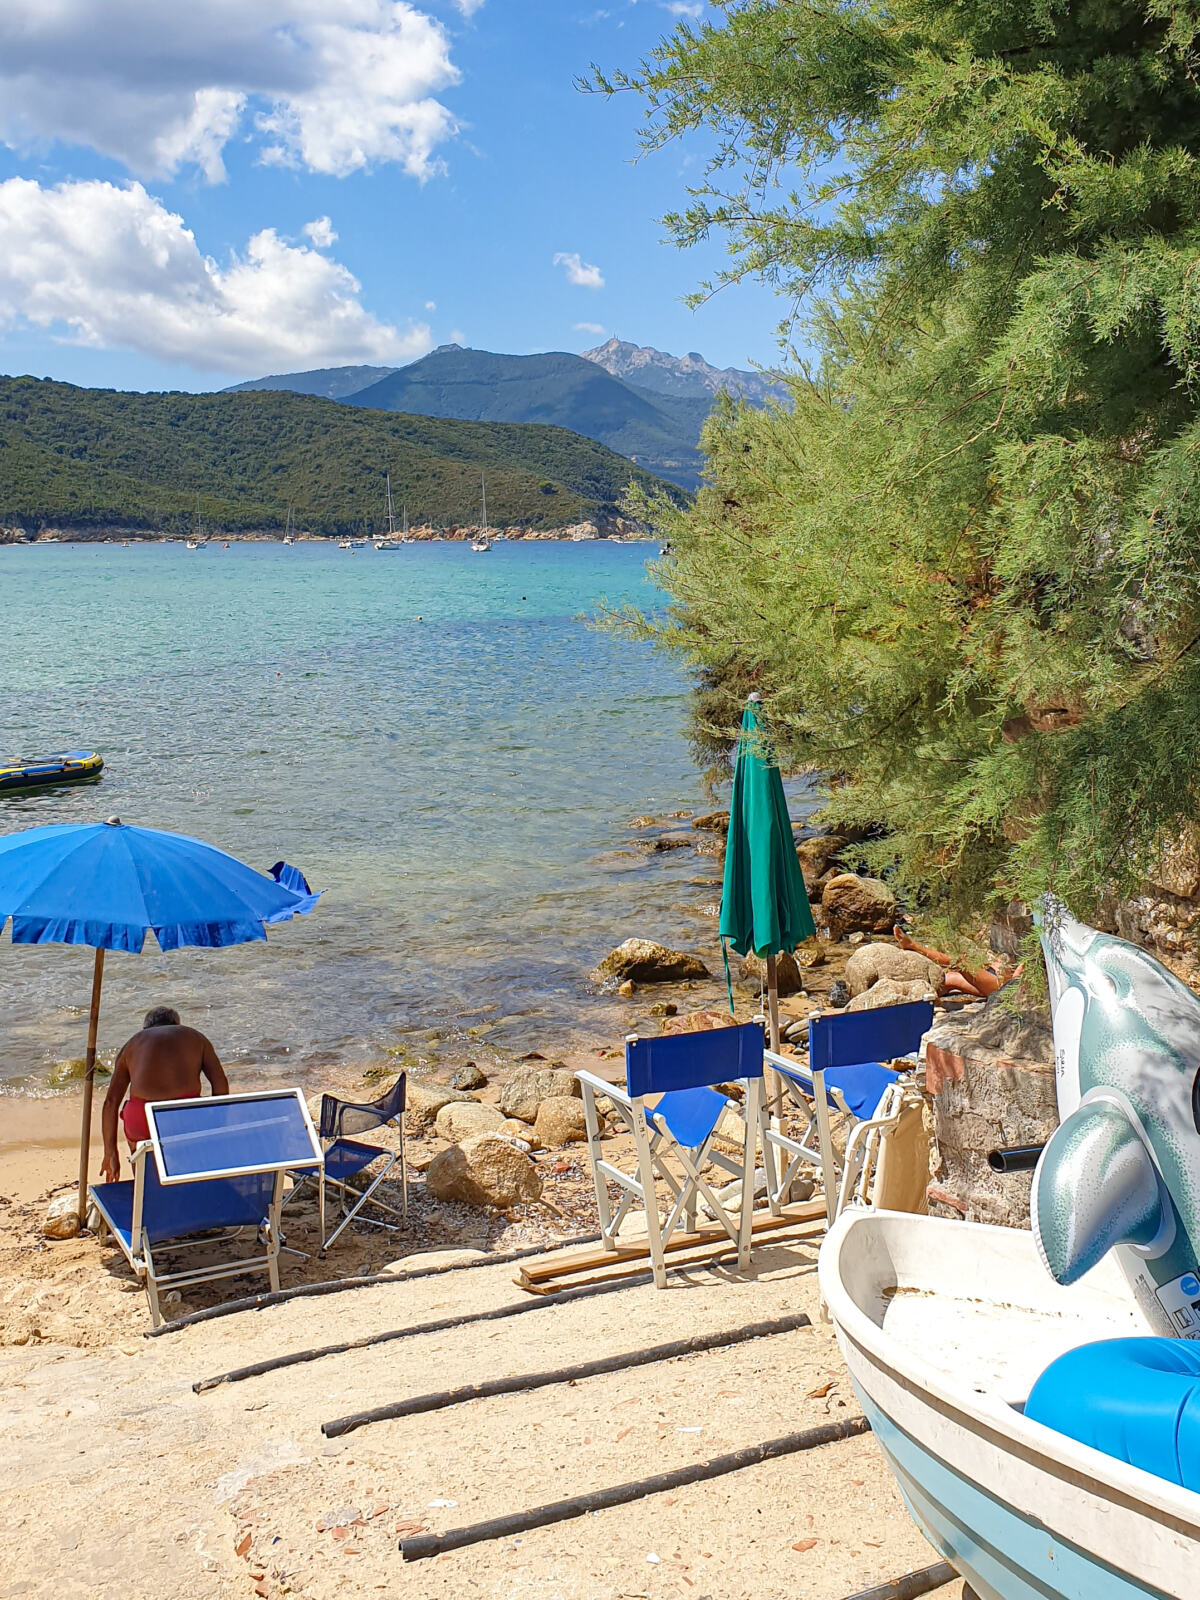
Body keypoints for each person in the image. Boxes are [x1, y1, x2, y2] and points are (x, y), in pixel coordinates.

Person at [100, 1007, 228, 1182]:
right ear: (177, 1024)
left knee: (131, 1118)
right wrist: (216, 1123)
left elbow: (110, 1103)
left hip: (143, 1119)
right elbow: (220, 1084)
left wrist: (110, 1152)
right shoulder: (196, 1038)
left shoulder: (132, 1044)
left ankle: (144, 1187)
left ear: (145, 1027)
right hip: (185, 1117)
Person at [893, 925, 1023, 999]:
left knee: (959, 962)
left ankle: (914, 947)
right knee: (948, 979)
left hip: (1004, 987)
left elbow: (1018, 983)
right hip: (998, 980)